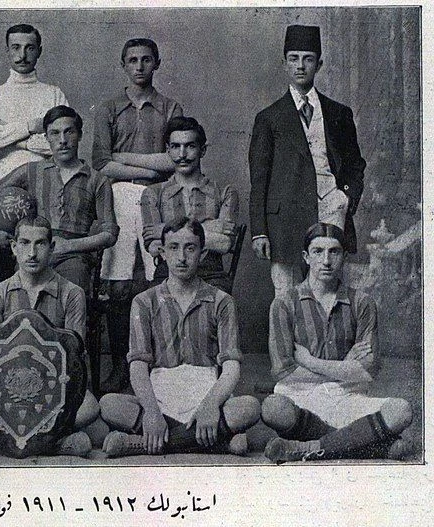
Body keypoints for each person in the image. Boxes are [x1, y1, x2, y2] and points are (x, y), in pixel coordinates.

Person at [0, 216, 105, 457]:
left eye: (40, 244)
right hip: (6, 389)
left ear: (52, 247)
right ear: (14, 247)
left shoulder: (72, 294)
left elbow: (74, 360)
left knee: (90, 406)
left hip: (51, 391)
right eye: (25, 243)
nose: (32, 253)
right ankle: (53, 443)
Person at [99, 218, 260, 458]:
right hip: (160, 396)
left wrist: (210, 406)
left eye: (190, 248)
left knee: (250, 407)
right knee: (108, 405)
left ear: (203, 254)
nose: (182, 257)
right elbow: (138, 366)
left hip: (206, 392)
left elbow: (231, 367)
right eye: (173, 248)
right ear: (162, 253)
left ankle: (143, 443)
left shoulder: (221, 301)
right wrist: (152, 413)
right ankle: (217, 442)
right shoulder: (144, 301)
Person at [261, 223, 413, 463]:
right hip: (302, 396)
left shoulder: (362, 302)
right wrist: (345, 367)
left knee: (401, 410)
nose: (326, 260)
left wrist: (309, 361)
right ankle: (368, 445)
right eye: (318, 251)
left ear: (344, 257)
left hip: (347, 398)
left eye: (334, 251)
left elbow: (368, 369)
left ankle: (308, 447)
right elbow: (283, 371)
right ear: (306, 257)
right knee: (272, 408)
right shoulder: (284, 303)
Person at [92, 38, 183, 392]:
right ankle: (121, 365)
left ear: (157, 63)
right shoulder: (108, 108)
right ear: (123, 65)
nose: (140, 66)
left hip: (160, 196)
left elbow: (174, 159)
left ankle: (159, 365)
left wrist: (126, 158)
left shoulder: (170, 107)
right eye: (132, 60)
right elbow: (101, 162)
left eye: (146, 59)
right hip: (118, 195)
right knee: (118, 283)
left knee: (158, 277)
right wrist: (150, 167)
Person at [249, 25, 366, 293]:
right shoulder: (268, 118)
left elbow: (355, 165)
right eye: (294, 58)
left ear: (319, 64)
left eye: (308, 59)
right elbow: (259, 180)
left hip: (331, 213)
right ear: (285, 63)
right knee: (287, 297)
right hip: (285, 224)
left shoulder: (339, 113)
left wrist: (345, 198)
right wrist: (259, 231)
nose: (300, 66)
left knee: (330, 294)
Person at [0, 106, 118, 292]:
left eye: (69, 132)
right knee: (20, 293)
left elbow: (109, 234)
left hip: (74, 256)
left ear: (80, 135)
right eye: (55, 133)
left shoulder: (97, 180)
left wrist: (68, 246)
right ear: (46, 138)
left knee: (71, 290)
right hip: (34, 252)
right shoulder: (32, 170)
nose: (63, 140)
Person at [0, 23, 69, 286]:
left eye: (29, 48)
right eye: (16, 47)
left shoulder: (53, 94)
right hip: (2, 196)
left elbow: (60, 144)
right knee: (2, 276)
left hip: (44, 189)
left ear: (39, 50)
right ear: (7, 51)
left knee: (44, 271)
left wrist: (13, 140)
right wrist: (29, 127)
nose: (22, 55)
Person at [140, 116, 239, 293]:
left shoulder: (225, 192)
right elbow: (154, 248)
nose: (182, 154)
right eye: (175, 146)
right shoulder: (152, 193)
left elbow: (224, 245)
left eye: (190, 146)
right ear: (168, 150)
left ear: (203, 150)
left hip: (211, 276)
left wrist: (165, 231)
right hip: (167, 276)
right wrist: (209, 229)